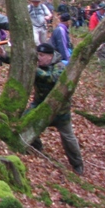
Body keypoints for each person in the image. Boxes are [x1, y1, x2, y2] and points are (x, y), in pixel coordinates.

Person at [28, 43, 84, 175]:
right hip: (39, 106)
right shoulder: (37, 64)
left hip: (60, 110)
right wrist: (3, 55)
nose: (39, 58)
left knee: (68, 137)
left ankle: (77, 164)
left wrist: (35, 70)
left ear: (50, 56)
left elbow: (52, 79)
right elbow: (19, 62)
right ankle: (37, 148)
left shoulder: (60, 66)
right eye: (38, 55)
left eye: (42, 55)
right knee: (25, 120)